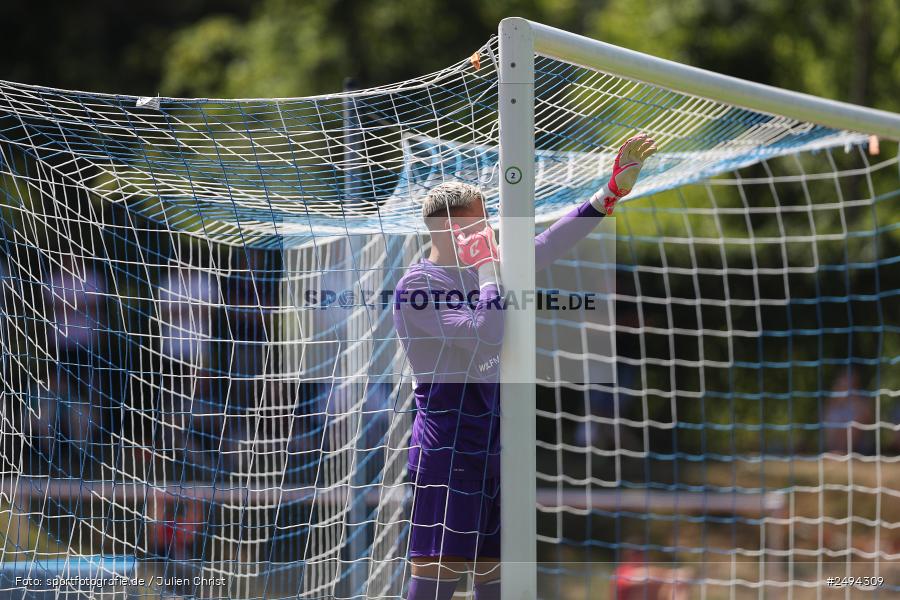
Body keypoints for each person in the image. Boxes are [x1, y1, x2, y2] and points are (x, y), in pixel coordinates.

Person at [393, 135, 657, 600]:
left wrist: (609, 194)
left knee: (498, 583)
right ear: (455, 231)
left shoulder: (484, 267)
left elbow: (550, 242)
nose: (491, 230)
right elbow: (486, 331)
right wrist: (491, 273)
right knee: (437, 585)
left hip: (495, 450)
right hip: (449, 453)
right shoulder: (418, 286)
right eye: (482, 222)